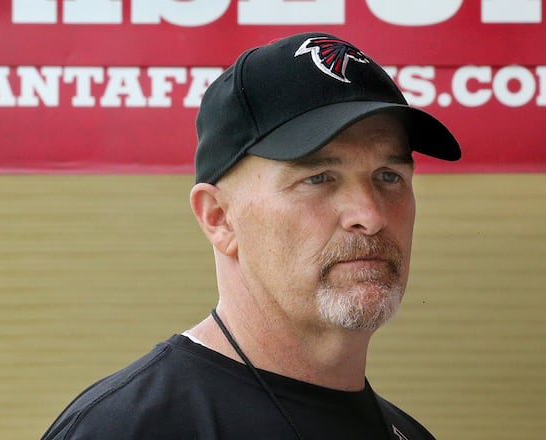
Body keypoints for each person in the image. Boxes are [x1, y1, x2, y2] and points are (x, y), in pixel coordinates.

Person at [41, 32, 460, 440]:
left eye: (389, 176)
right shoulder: (128, 428)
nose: (370, 215)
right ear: (219, 218)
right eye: (318, 178)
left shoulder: (407, 432)